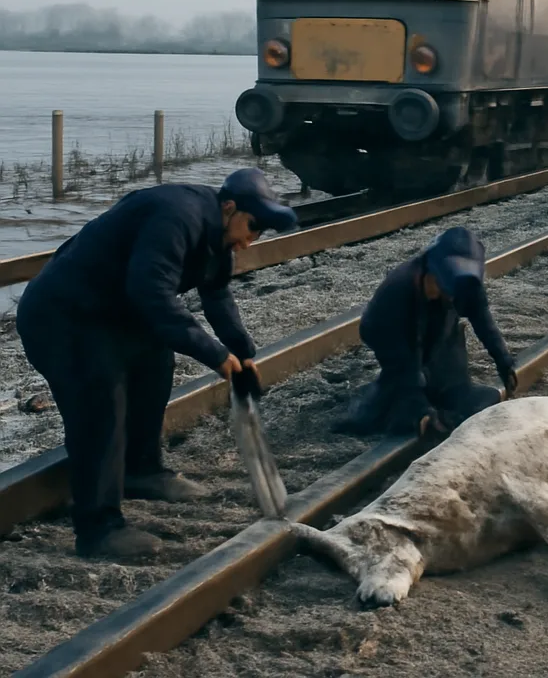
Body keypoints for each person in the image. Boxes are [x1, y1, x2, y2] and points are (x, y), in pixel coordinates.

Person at [15, 168, 298, 560]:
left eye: (260, 233)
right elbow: (150, 291)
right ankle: (98, 528)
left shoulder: (218, 236)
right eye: (251, 227)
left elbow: (216, 295)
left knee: (155, 367)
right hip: (64, 318)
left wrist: (241, 351)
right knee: (101, 405)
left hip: (114, 315)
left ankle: (140, 470)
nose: (250, 242)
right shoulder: (176, 217)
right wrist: (215, 356)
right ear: (229, 207)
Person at [332, 227, 518, 438]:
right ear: (429, 271)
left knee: (455, 391)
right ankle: (382, 397)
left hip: (438, 326)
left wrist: (504, 361)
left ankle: (429, 390)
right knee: (405, 398)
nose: (439, 292)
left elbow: (482, 318)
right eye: (437, 286)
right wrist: (420, 408)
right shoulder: (397, 293)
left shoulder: (464, 283)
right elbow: (403, 360)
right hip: (390, 333)